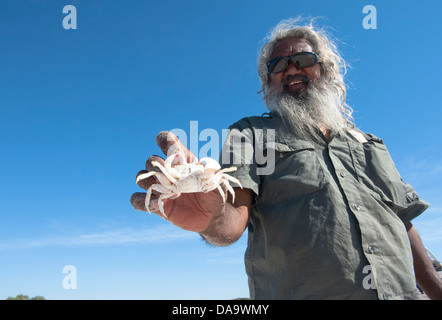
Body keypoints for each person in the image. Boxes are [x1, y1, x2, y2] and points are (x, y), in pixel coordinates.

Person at [130, 19, 442, 300]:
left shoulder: (370, 143)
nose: (291, 69)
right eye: (278, 65)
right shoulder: (251, 134)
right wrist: (210, 219)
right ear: (268, 81)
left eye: (302, 60)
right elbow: (233, 220)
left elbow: (402, 222)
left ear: (324, 69)